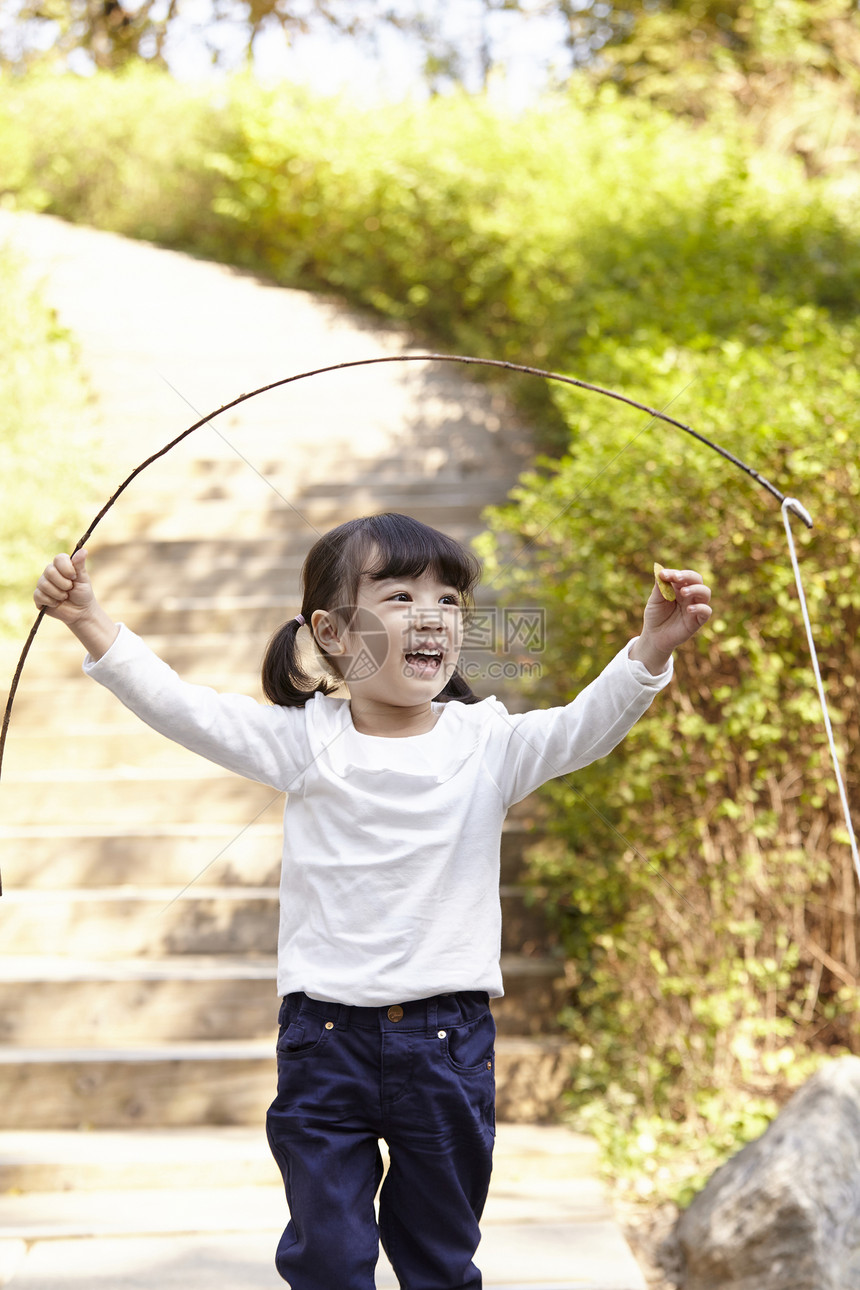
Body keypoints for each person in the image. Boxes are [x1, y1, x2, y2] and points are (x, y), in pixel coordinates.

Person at [34, 511, 712, 1290]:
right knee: (327, 1258)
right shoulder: (301, 739)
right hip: (325, 1045)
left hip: (447, 1046)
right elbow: (188, 709)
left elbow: (583, 728)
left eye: (449, 600)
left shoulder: (487, 744)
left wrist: (650, 649)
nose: (431, 615)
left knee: (439, 1257)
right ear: (331, 632)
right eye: (398, 596)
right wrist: (90, 620)